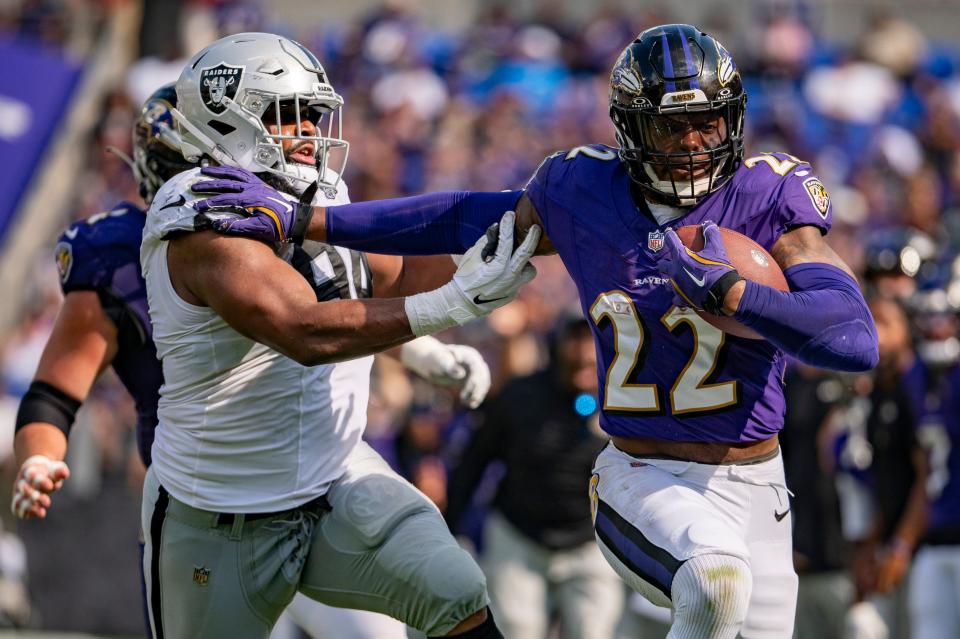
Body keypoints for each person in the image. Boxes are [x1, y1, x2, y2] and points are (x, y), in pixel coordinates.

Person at [204, 24, 880, 638]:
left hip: (761, 486)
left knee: (729, 590)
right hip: (644, 477)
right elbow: (460, 217)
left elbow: (853, 340)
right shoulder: (582, 191)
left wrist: (739, 294)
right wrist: (307, 219)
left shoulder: (768, 197)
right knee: (713, 583)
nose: (696, 142)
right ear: (632, 129)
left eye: (709, 122)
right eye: (675, 128)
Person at [9, 83, 497, 639]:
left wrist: (422, 351)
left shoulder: (292, 217)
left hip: (323, 480)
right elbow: (54, 393)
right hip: (211, 506)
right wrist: (39, 458)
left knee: (410, 616)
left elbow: (333, 312)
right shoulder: (122, 258)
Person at [140, 33, 538, 639]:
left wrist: (498, 234)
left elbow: (392, 274)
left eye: (311, 113)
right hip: (221, 510)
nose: (307, 130)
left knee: (457, 594)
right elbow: (303, 330)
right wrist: (449, 305)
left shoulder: (318, 194)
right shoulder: (201, 215)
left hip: (336, 479)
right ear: (224, 121)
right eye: (284, 114)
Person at [444, 315, 624, 639]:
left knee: (595, 631)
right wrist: (451, 530)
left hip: (589, 538)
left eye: (593, 341)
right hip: (520, 535)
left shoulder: (624, 399)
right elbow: (474, 461)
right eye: (576, 340)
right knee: (518, 630)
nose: (584, 353)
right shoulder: (520, 395)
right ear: (557, 343)